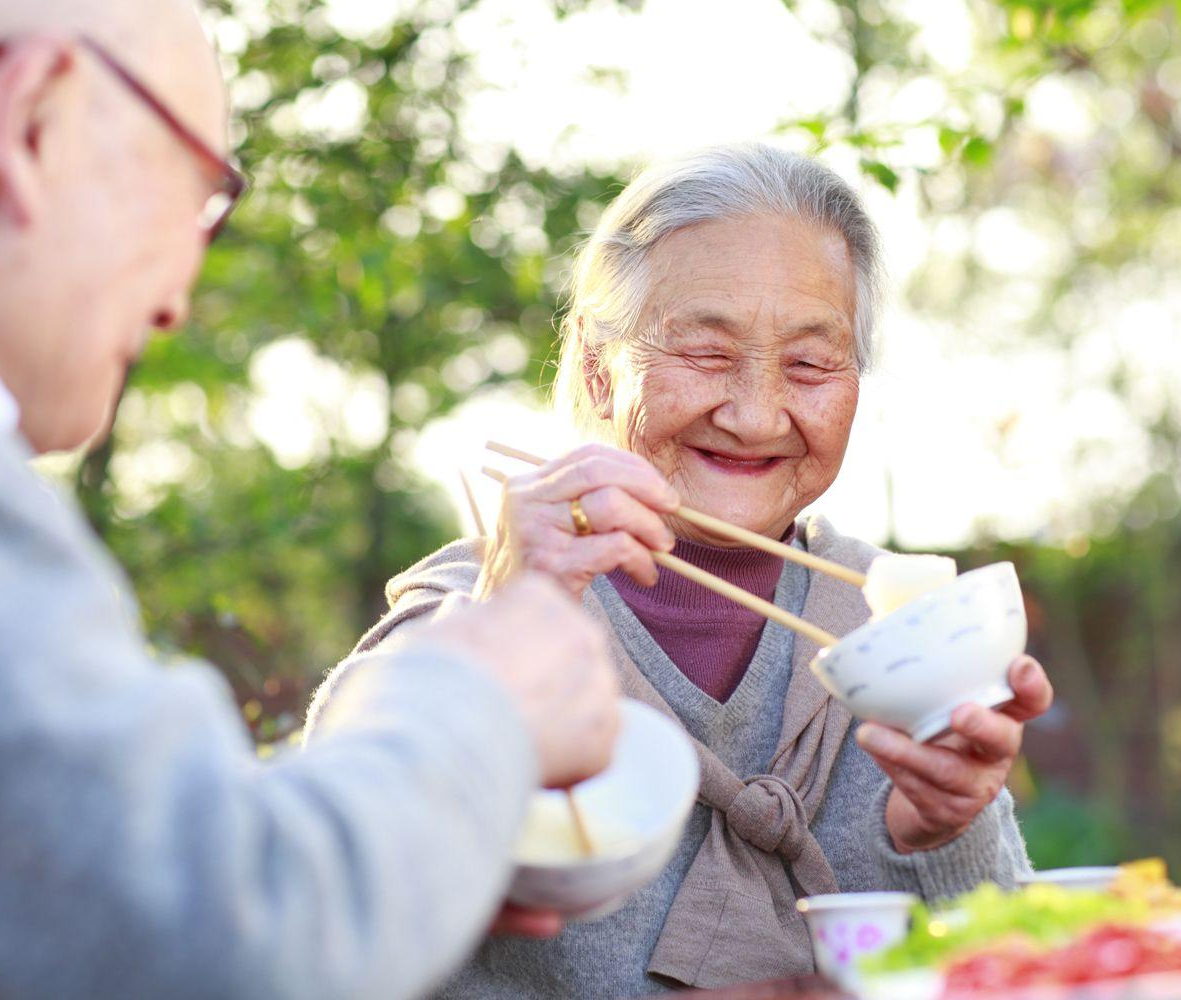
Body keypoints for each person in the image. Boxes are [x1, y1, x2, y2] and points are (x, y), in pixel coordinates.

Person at [0, 1, 622, 997]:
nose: (180, 296)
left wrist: (411, 826)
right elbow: (225, 942)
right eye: (197, 202)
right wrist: (474, 702)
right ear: (29, 116)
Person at [308, 144, 1057, 996]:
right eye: (705, 352)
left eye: (810, 364)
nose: (754, 413)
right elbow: (318, 896)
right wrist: (500, 627)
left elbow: (1015, 963)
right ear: (597, 365)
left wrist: (947, 828)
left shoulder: (907, 635)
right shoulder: (475, 606)